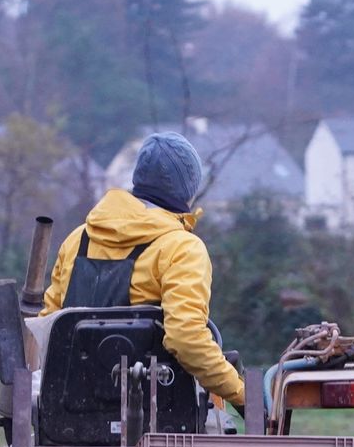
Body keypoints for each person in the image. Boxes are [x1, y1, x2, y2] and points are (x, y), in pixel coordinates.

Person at [39, 132, 245, 407]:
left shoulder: (78, 239)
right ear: (188, 189)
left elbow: (48, 329)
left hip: (68, 413)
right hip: (158, 417)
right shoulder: (182, 248)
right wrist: (243, 395)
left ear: (138, 178)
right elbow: (187, 340)